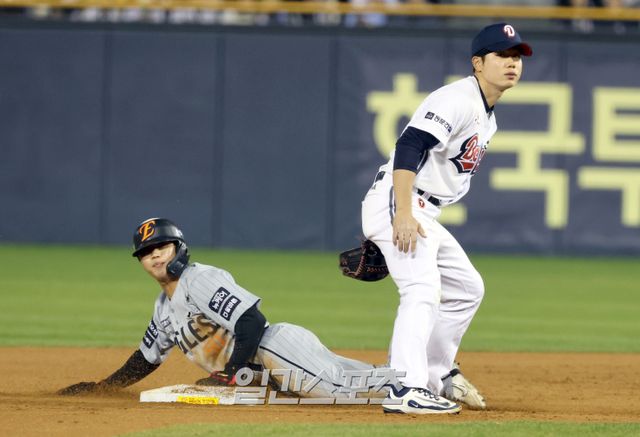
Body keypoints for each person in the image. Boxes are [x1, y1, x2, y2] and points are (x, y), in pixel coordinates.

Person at [361, 23, 532, 414]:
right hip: (402, 200)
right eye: (502, 55)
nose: (512, 63)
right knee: (421, 289)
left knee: (468, 288)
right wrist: (402, 213)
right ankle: (405, 386)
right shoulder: (457, 99)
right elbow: (410, 144)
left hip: (424, 209)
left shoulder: (486, 115)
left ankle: (438, 375)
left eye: (517, 56)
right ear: (478, 63)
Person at [58, 218, 392, 400]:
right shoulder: (163, 308)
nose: (155, 255)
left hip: (275, 349)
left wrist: (231, 372)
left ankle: (415, 383)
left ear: (179, 249)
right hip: (270, 367)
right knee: (365, 378)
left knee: (344, 392)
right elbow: (146, 358)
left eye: (162, 246)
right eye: (146, 252)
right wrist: (104, 387)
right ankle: (419, 376)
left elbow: (252, 320)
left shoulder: (199, 279)